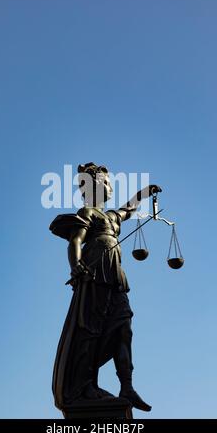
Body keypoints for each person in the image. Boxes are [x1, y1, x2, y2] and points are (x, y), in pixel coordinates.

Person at [49, 162, 162, 412]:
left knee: (123, 326)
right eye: (106, 182)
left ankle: (127, 386)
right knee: (91, 328)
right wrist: (76, 266)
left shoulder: (111, 216)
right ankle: (85, 386)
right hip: (95, 270)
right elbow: (75, 240)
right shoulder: (87, 212)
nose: (110, 187)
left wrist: (144, 193)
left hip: (115, 273)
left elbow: (129, 209)